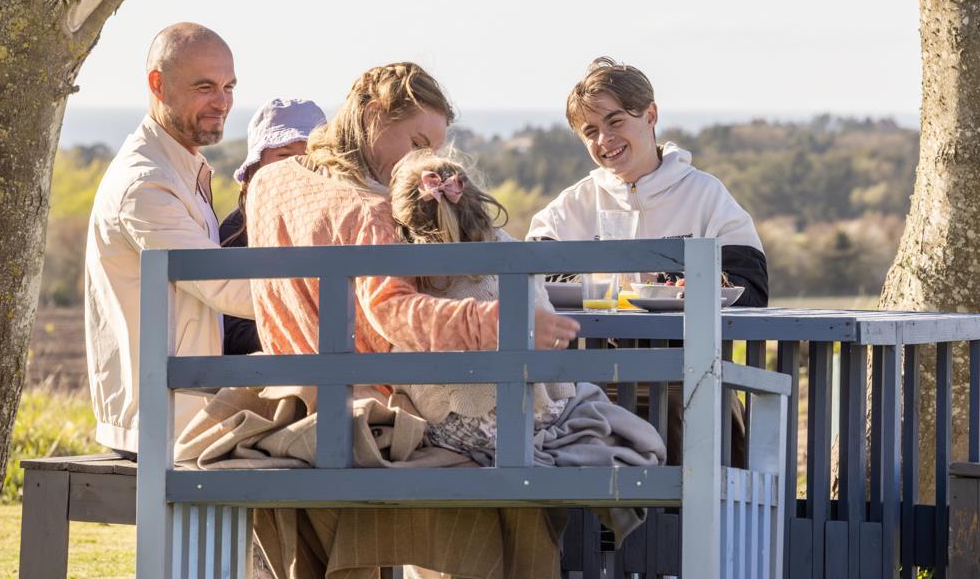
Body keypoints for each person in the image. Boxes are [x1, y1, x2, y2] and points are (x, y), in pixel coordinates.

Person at [246, 62, 580, 358]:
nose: (422, 162)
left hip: (286, 379)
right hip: (360, 390)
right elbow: (392, 311)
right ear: (372, 114)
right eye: (418, 144)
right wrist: (502, 323)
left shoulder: (268, 181)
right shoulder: (370, 210)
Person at [84, 22, 255, 456]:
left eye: (229, 87)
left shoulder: (177, 168)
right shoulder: (146, 184)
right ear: (158, 85)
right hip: (161, 428)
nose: (222, 102)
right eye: (204, 87)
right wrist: (333, 296)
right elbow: (225, 286)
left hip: (187, 416)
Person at [528, 56, 768, 305]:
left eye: (616, 122)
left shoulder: (707, 196)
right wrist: (610, 280)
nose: (604, 139)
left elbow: (751, 290)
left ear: (650, 115)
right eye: (591, 131)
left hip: (687, 334)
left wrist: (656, 281)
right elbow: (530, 280)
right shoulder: (568, 208)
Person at [386, 149, 575, 457]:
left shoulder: (413, 268)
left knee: (405, 345)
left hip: (468, 429)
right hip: (543, 412)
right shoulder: (511, 247)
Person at [218, 98, 326, 356]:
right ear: (256, 166)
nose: (297, 166)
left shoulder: (335, 222)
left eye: (309, 156)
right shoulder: (237, 231)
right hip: (269, 366)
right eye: (283, 156)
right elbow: (230, 328)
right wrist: (300, 335)